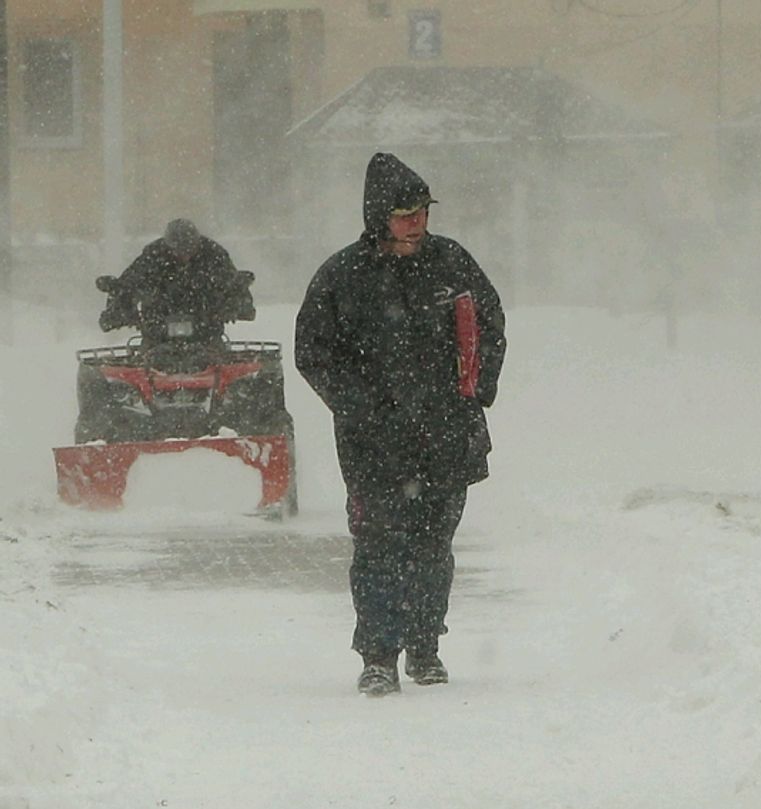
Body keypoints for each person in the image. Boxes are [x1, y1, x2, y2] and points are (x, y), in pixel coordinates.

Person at [294, 152, 506, 697]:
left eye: (422, 211)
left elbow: (490, 323)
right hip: (374, 444)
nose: (416, 222)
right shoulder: (343, 276)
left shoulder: (453, 264)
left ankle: (425, 646)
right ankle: (379, 655)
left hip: (447, 436)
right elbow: (312, 352)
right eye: (403, 212)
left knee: (435, 543)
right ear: (377, 216)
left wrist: (478, 388)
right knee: (379, 545)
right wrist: (358, 404)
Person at [98, 218, 255, 347]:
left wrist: (236, 305)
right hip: (156, 331)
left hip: (207, 330)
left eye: (189, 248)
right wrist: (119, 309)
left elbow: (232, 282)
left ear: (197, 243)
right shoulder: (153, 256)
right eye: (178, 250)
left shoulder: (213, 255)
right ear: (168, 246)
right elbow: (130, 282)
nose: (184, 255)